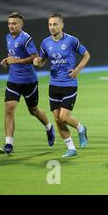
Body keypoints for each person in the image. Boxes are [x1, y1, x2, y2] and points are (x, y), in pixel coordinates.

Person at [33, 14, 90, 158]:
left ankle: (81, 129)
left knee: (64, 117)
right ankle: (71, 148)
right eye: (50, 25)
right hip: (54, 84)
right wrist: (37, 62)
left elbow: (86, 55)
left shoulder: (71, 40)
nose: (52, 27)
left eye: (55, 24)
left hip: (69, 83)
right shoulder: (45, 43)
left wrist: (77, 70)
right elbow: (42, 61)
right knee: (57, 118)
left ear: (62, 25)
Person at [0, 12, 55, 155]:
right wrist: (7, 60)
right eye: (9, 23)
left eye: (14, 23)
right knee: (9, 109)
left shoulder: (26, 38)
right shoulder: (7, 37)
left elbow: (34, 58)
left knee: (33, 110)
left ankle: (49, 128)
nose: (11, 26)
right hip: (13, 80)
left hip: (29, 81)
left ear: (21, 25)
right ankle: (9, 144)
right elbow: (14, 56)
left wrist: (15, 61)